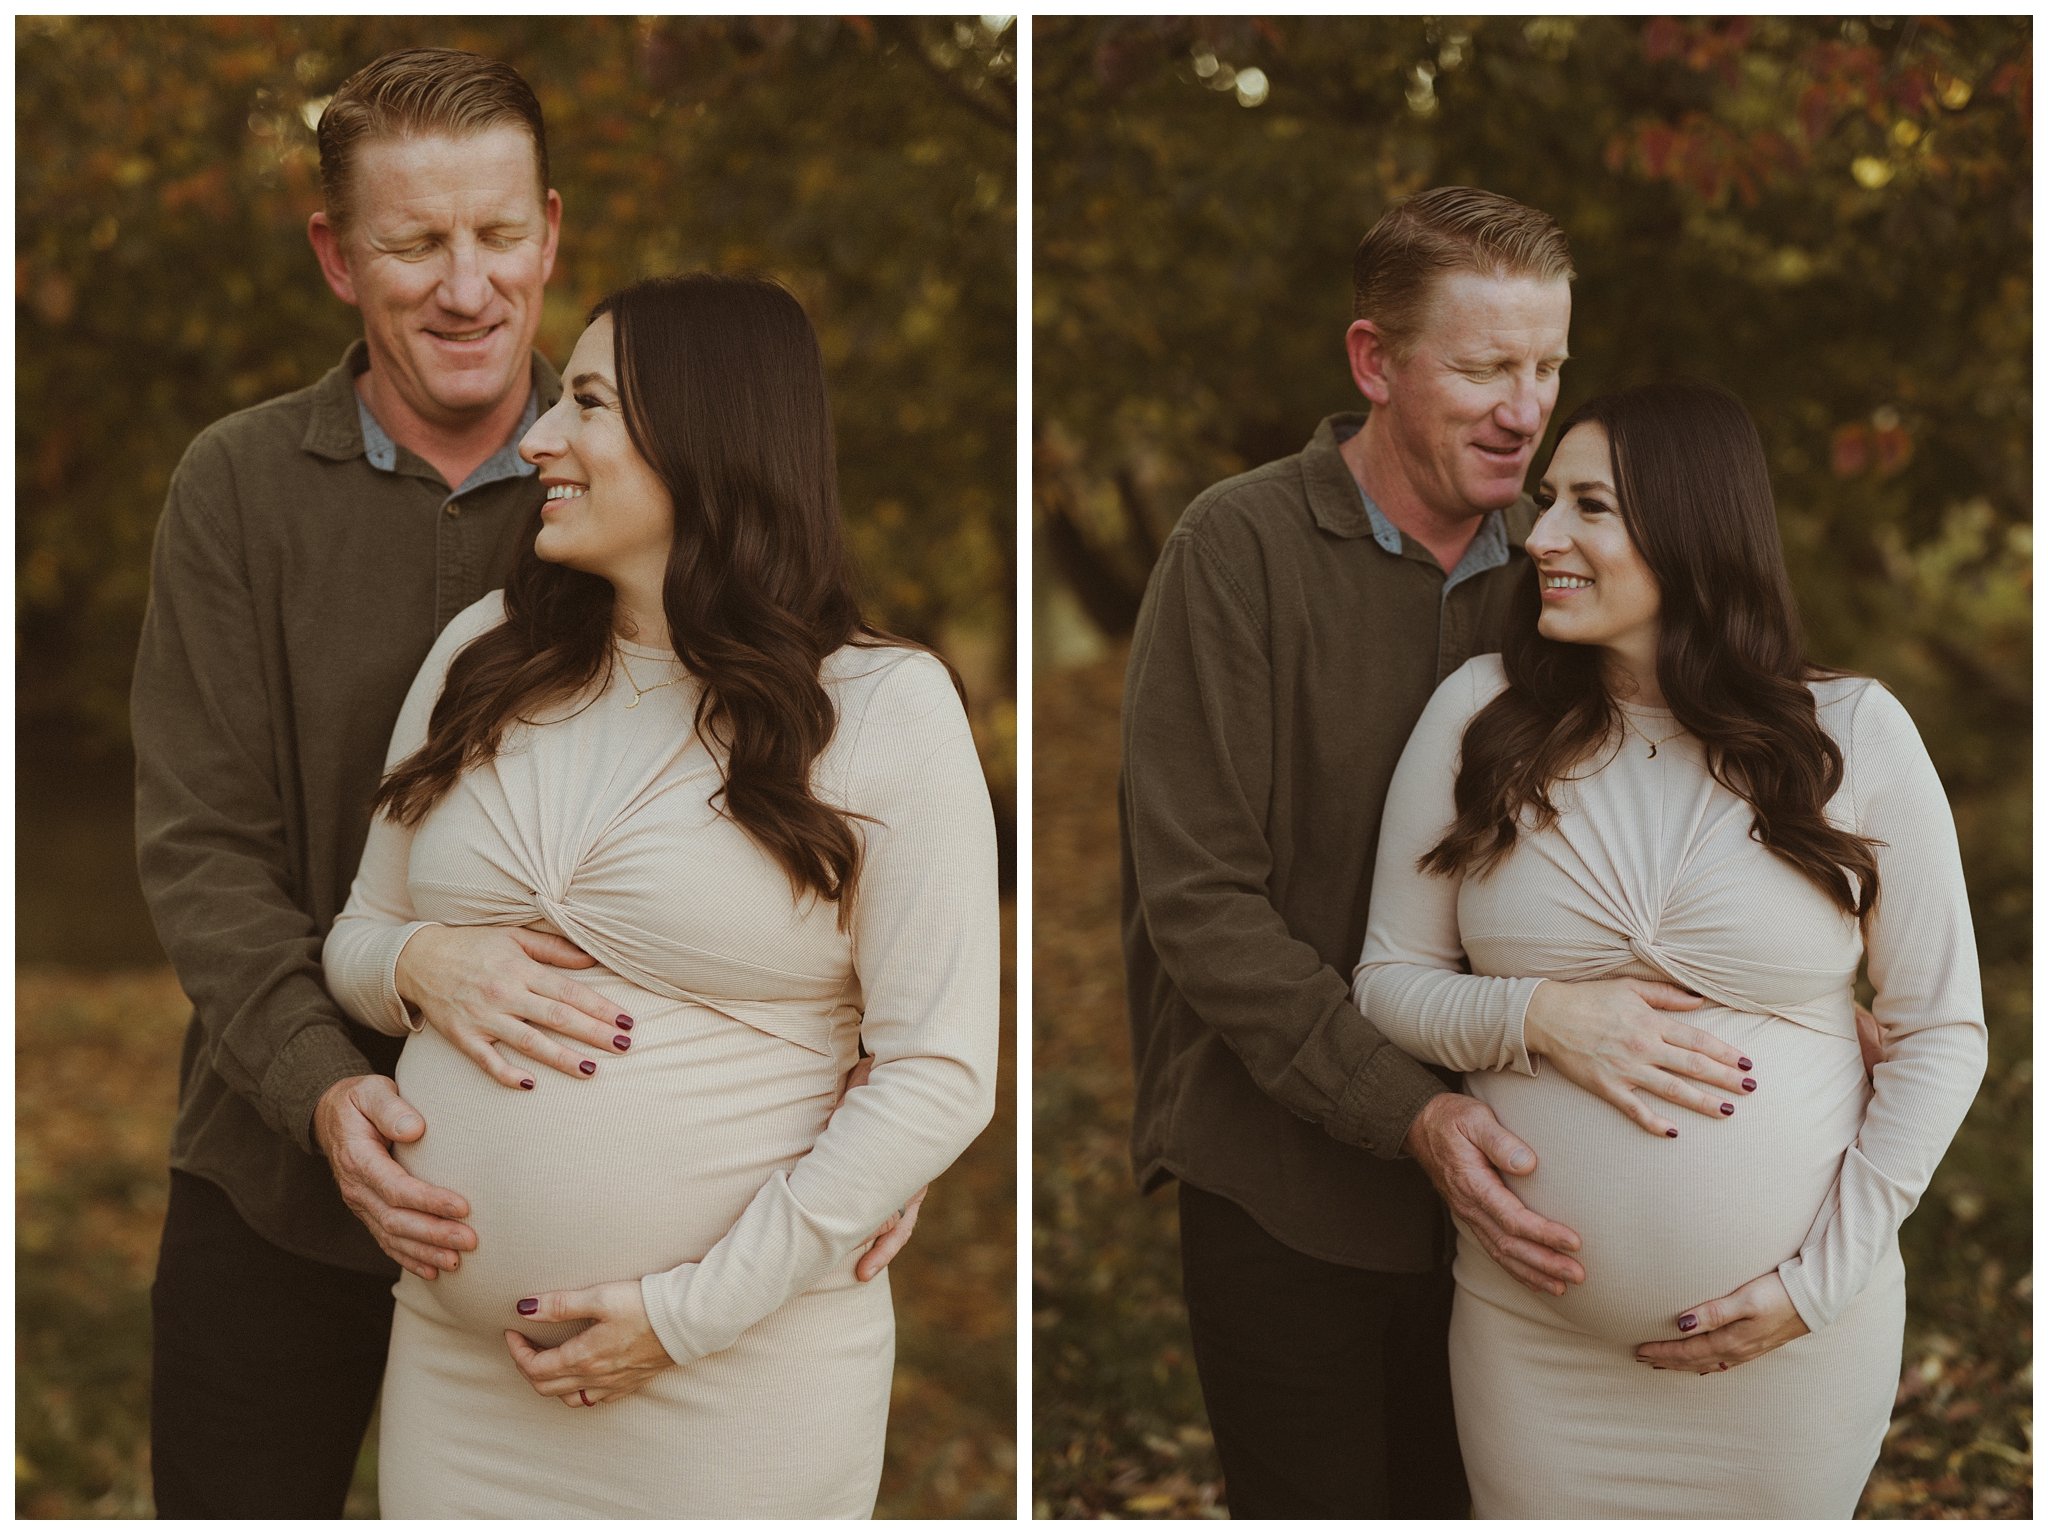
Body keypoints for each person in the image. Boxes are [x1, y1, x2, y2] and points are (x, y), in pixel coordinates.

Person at [132, 49, 924, 1519]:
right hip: (273, 1171)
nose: (466, 284)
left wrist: (871, 1095)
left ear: (551, 231)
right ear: (334, 254)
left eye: (498, 235)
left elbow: (814, 788)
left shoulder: (650, 471)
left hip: (620, 1287)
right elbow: (201, 849)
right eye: (415, 242)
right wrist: (322, 1084)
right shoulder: (238, 487)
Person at [316, 273, 998, 1517]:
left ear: (706, 433)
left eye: (583, 402)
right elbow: (358, 935)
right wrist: (421, 965)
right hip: (460, 1374)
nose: (537, 439)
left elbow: (940, 1067)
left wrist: (687, 1315)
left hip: (736, 1375)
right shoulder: (482, 655)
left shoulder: (883, 709)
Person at [1352, 381, 1986, 1517]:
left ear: (1689, 529)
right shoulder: (1478, 715)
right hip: (1531, 1345)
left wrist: (1816, 1283)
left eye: (1587, 506)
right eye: (1547, 501)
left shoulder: (1850, 735)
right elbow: (1387, 979)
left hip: (1789, 1354)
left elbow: (1941, 1031)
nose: (1539, 536)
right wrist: (1536, 1014)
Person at [1120, 187, 1646, 1516]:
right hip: (1291, 1196)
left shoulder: (1567, 566)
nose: (1527, 409)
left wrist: (1812, 1015)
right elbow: (1201, 902)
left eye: (1548, 366)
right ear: (1375, 360)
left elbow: (1672, 824)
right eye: (1484, 367)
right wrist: (1409, 1108)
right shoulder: (1235, 550)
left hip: (1536, 1204)